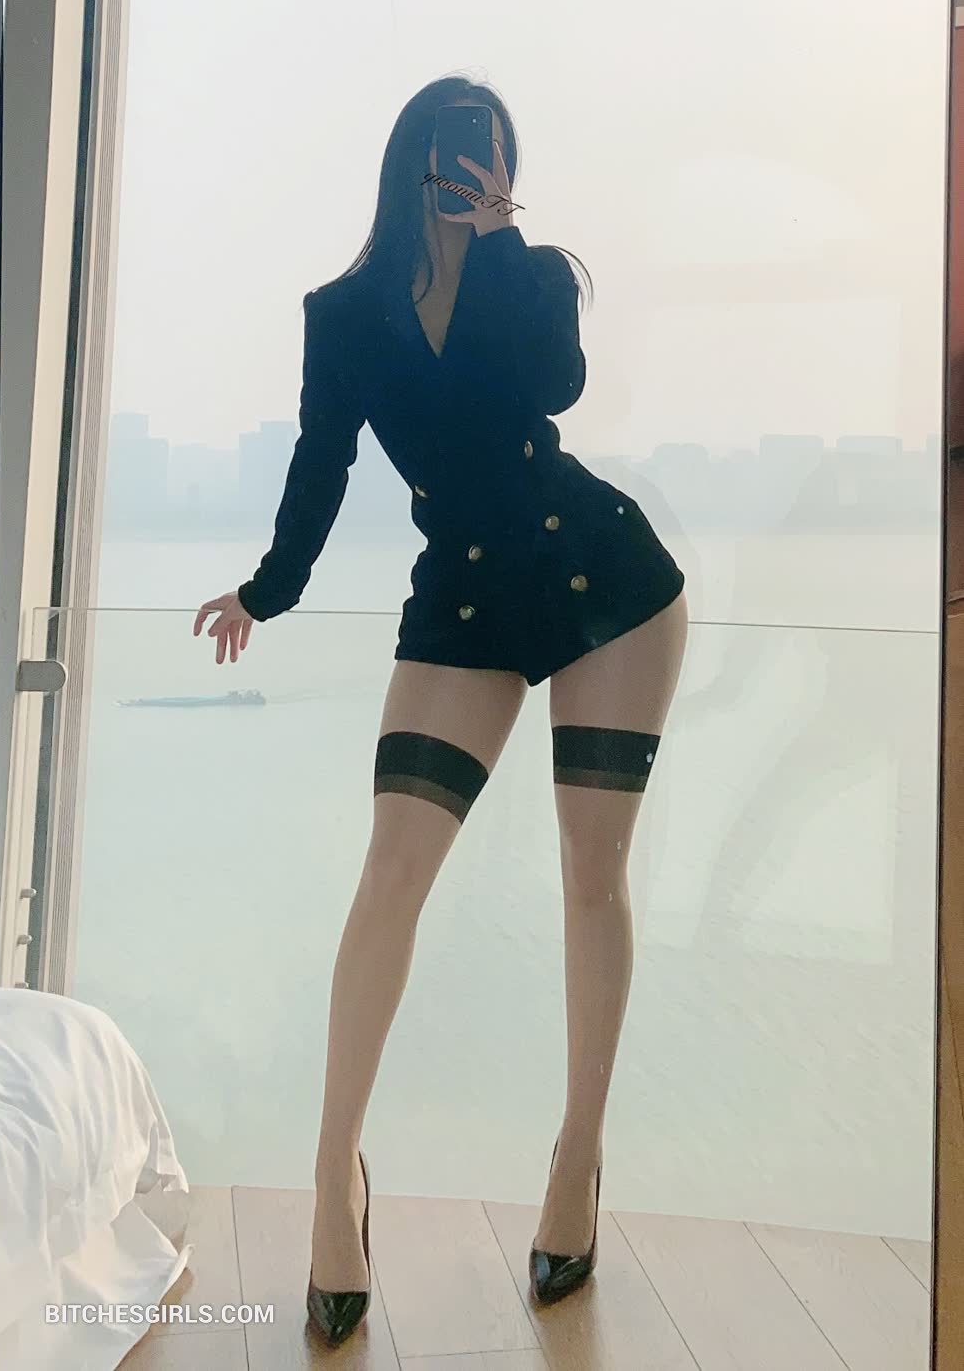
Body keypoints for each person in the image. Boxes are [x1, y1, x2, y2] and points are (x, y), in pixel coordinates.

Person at [193, 75, 688, 1342]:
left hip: (604, 585)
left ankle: (576, 1160)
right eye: (455, 156)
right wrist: (266, 589)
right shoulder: (344, 313)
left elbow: (556, 387)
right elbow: (321, 459)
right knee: (392, 873)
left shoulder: (537, 276)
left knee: (591, 874)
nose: (472, 175)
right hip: (462, 597)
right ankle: (333, 1178)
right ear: (409, 162)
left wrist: (505, 241)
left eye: (494, 157)